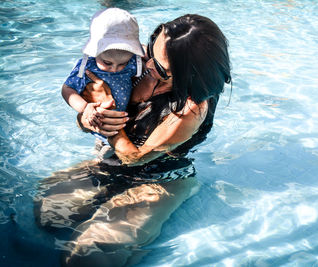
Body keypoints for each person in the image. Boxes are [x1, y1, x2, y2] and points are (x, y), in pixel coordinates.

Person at [35, 14, 231, 267]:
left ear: (188, 74)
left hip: (159, 178)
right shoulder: (135, 65)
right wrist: (88, 116)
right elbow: (90, 118)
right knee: (49, 216)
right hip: (113, 161)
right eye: (148, 49)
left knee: (87, 256)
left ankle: (174, 201)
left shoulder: (191, 109)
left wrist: (112, 118)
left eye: (159, 67)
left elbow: (134, 158)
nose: (146, 65)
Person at [62, 8, 144, 141]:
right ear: (95, 52)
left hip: (125, 122)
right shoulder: (88, 66)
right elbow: (67, 89)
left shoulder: (135, 60)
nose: (114, 69)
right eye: (107, 62)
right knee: (103, 150)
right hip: (99, 123)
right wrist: (85, 108)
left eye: (123, 63)